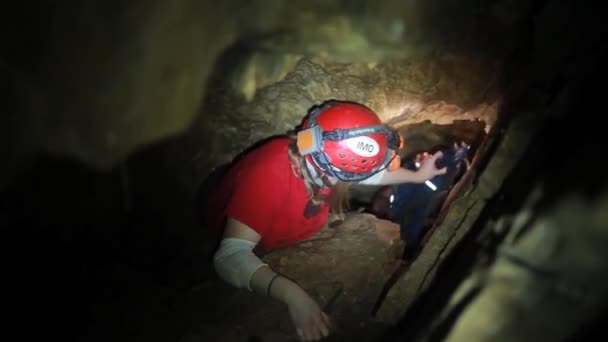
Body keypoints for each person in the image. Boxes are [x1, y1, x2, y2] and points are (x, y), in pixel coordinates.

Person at [202, 99, 446, 341]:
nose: (338, 182)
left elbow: (363, 175)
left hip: (289, 223)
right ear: (315, 152)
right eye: (333, 174)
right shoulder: (270, 171)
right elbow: (230, 256)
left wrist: (418, 176)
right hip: (224, 216)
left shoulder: (326, 158)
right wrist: (291, 295)